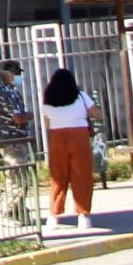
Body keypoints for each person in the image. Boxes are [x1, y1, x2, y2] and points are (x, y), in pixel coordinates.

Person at [40, 68, 97, 229]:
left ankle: (53, 215)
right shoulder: (80, 96)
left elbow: (46, 122)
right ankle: (83, 215)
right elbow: (95, 113)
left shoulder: (48, 98)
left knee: (58, 176)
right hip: (79, 135)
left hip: (57, 137)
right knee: (82, 175)